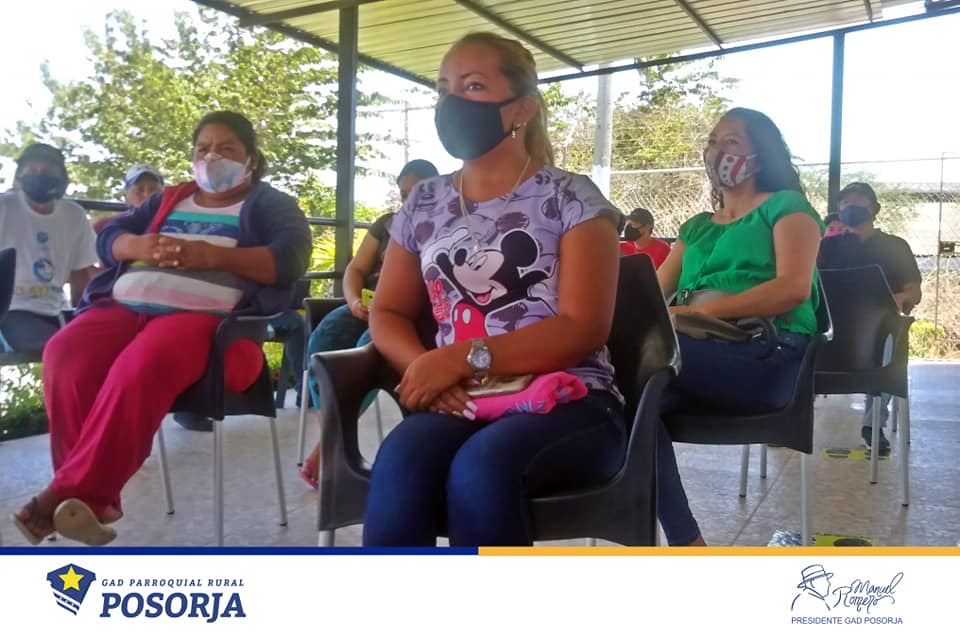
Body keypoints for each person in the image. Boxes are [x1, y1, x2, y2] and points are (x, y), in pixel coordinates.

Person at [361, 32, 624, 546]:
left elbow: (583, 326)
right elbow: (387, 311)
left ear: (521, 108)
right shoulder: (423, 203)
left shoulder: (572, 198)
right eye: (444, 88)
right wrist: (428, 371)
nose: (451, 102)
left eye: (474, 86)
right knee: (401, 461)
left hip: (568, 399)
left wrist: (460, 358)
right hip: (462, 399)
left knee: (480, 468)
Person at [10, 111, 312, 546]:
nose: (212, 157)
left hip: (207, 322)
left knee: (142, 362)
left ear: (251, 159)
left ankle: (70, 496)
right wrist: (135, 245)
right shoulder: (171, 198)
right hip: (124, 307)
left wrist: (213, 256)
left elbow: (291, 259)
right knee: (64, 353)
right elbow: (109, 236)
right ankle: (88, 500)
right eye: (203, 148)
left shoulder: (270, 204)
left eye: (226, 149)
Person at [656, 107, 824, 546]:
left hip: (765, 353)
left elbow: (792, 288)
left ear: (761, 154)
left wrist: (699, 314)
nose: (717, 151)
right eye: (713, 142)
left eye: (731, 141)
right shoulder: (695, 228)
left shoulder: (787, 208)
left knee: (642, 375)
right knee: (627, 402)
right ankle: (688, 543)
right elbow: (653, 297)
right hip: (695, 354)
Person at [298, 158, 439, 488]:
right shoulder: (387, 224)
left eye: (418, 192)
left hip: (406, 313)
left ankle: (329, 447)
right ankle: (334, 437)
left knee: (366, 353)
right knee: (323, 342)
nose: (409, 200)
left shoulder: (446, 223)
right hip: (366, 305)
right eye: (403, 194)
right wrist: (353, 301)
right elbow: (356, 269)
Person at [818, 181, 921, 453]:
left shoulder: (895, 246)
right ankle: (790, 419)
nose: (850, 207)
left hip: (880, 328)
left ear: (874, 209)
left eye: (858, 202)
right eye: (845, 203)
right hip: (833, 328)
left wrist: (885, 303)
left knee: (888, 344)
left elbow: (914, 293)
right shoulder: (827, 248)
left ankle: (873, 425)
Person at [0, 143, 98, 353]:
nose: (39, 175)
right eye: (32, 170)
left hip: (57, 311)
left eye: (47, 171)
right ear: (20, 175)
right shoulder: (4, 207)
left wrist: (81, 315)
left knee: (102, 344)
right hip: (11, 311)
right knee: (65, 349)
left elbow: (80, 273)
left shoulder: (74, 215)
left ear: (61, 178)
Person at [92, 164, 165, 234]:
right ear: (126, 195)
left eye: (153, 190)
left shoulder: (170, 222)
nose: (147, 195)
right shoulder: (103, 225)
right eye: (139, 190)